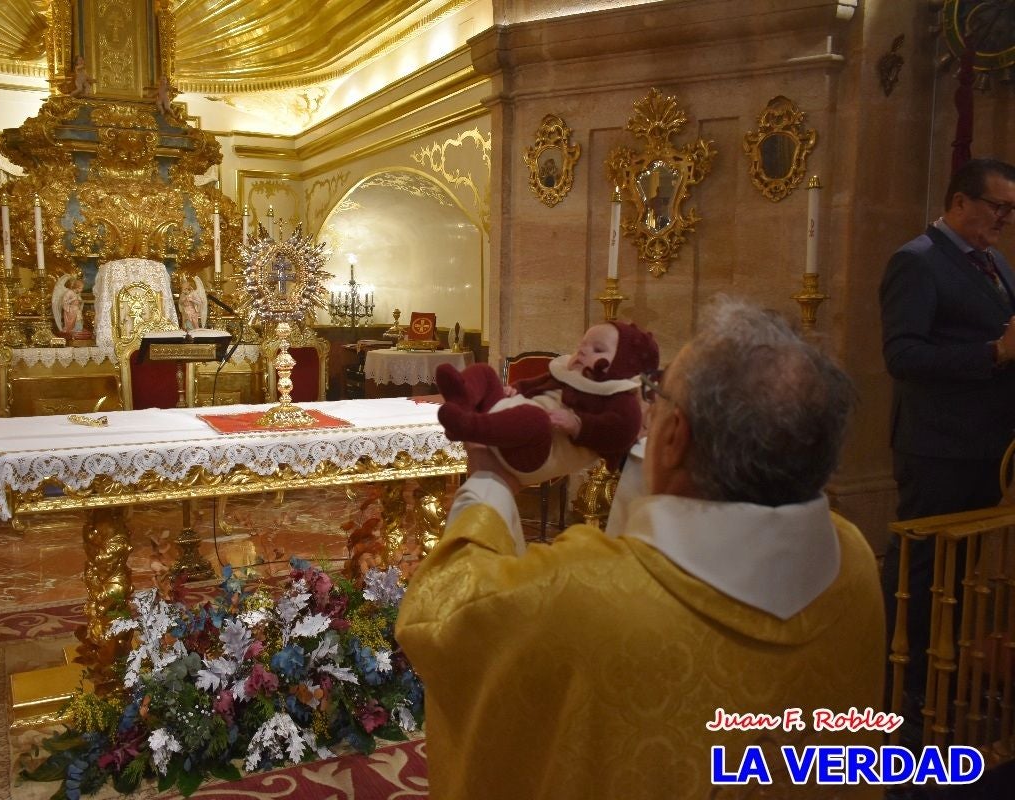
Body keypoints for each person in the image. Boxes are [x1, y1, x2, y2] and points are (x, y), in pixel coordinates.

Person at [397, 297, 885, 799]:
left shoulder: (576, 592)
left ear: (673, 436)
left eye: (657, 393)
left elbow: (442, 614)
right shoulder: (855, 560)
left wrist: (489, 482)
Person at [878, 157, 1015, 711]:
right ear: (960, 202)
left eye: (1012, 209)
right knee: (922, 568)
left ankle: (944, 671)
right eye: (998, 206)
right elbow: (902, 355)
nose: (1005, 218)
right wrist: (992, 353)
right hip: (937, 446)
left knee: (959, 574)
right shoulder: (916, 262)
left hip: (987, 445)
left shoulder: (996, 262)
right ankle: (903, 689)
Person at [434, 320, 658, 486]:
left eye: (597, 350)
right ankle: (461, 400)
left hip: (535, 454)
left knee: (536, 419)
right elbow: (535, 384)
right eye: (582, 344)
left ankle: (467, 426)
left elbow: (621, 431)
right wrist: (516, 389)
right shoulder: (567, 374)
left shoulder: (618, 397)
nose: (582, 351)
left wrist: (579, 425)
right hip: (507, 420)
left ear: (623, 365)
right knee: (485, 372)